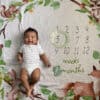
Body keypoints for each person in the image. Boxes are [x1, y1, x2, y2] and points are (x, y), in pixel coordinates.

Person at [17, 27, 51, 96]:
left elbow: (42, 55)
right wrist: (19, 57)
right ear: (24, 39)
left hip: (35, 67)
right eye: (27, 37)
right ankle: (28, 89)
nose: (30, 39)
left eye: (32, 37)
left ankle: (31, 84)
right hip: (25, 67)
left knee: (36, 77)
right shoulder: (23, 46)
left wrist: (46, 62)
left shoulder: (38, 47)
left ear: (37, 40)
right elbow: (19, 53)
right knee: (22, 77)